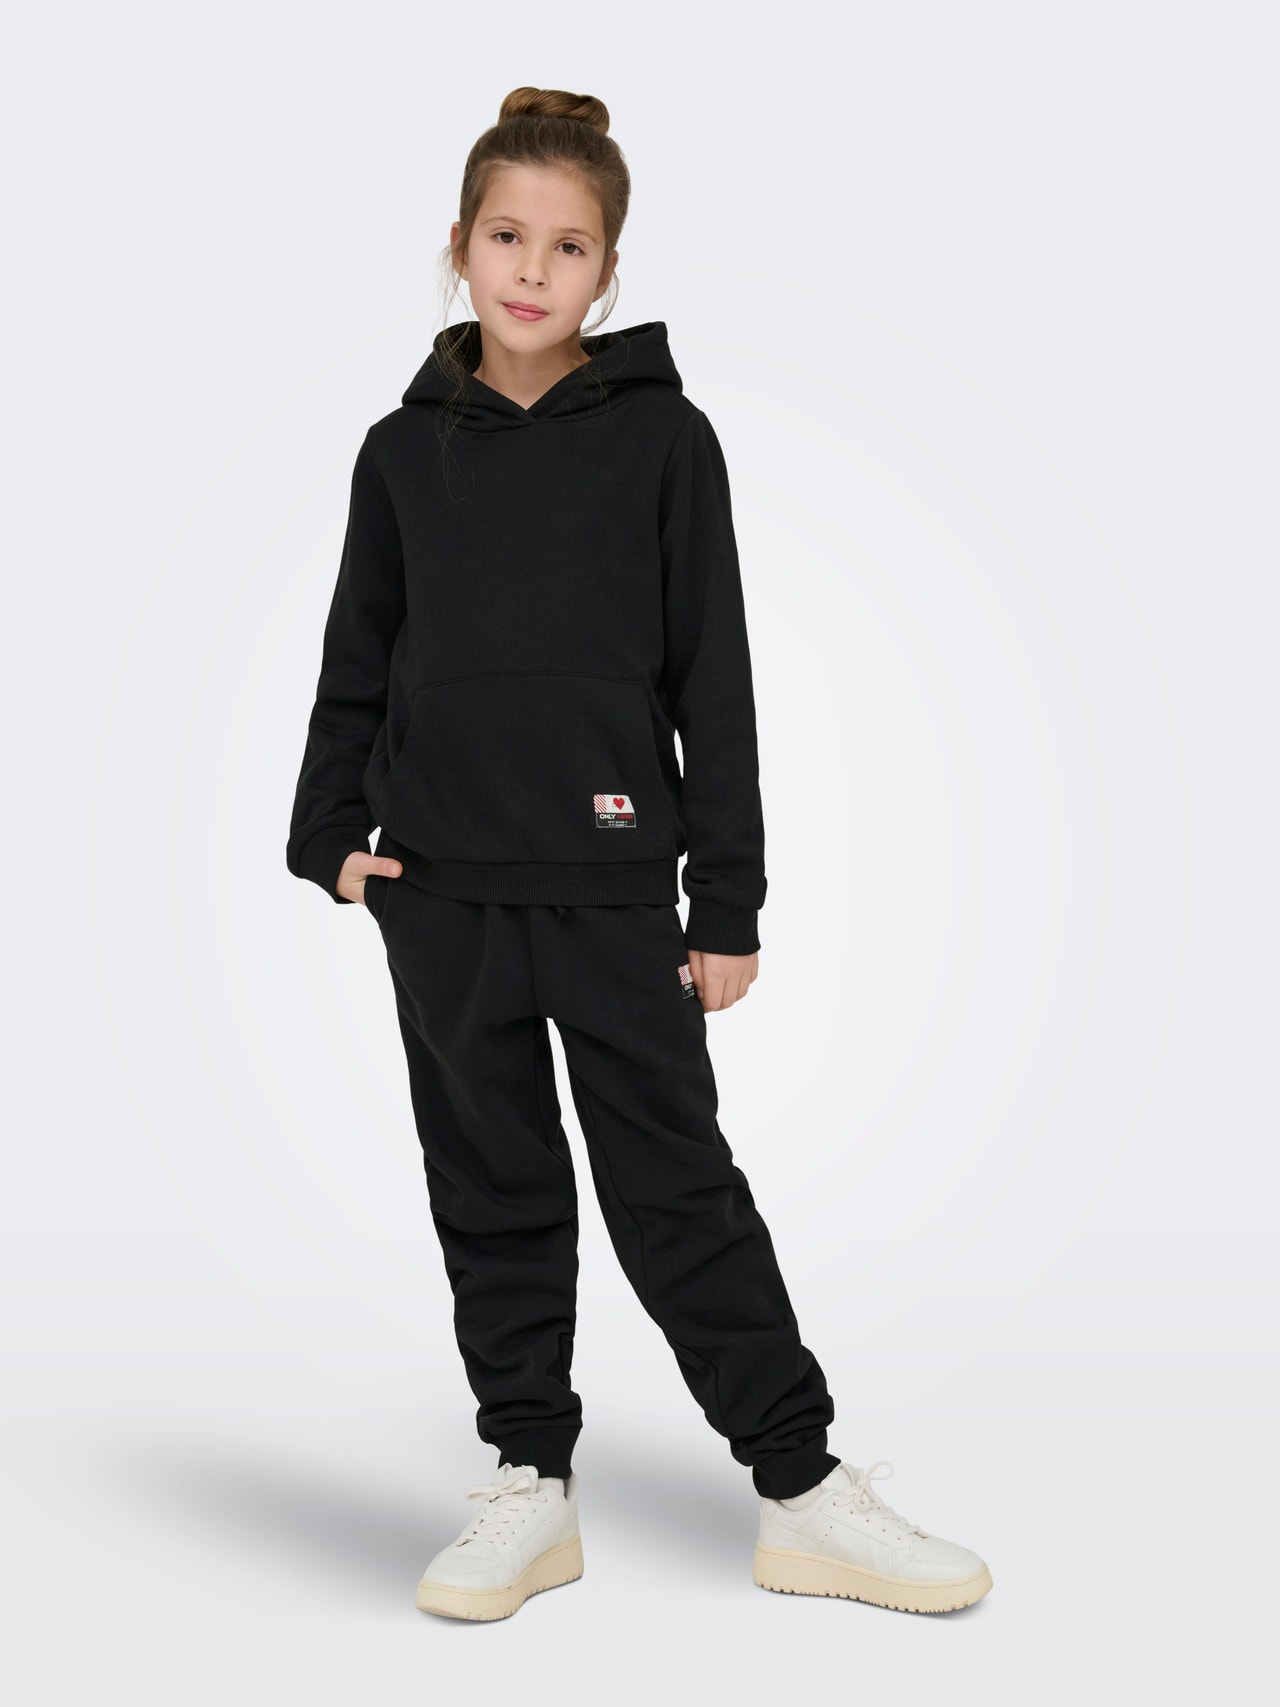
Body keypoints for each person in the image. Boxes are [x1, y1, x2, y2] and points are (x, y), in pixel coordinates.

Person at [285, 84, 992, 1622]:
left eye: (569, 246)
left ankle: (801, 1487)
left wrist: (725, 903)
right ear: (460, 246)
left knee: (677, 1190)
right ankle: (528, 1484)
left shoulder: (666, 441)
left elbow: (710, 680)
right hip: (445, 894)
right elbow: (357, 657)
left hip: (616, 893)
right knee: (490, 1187)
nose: (532, 270)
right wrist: (330, 840)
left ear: (608, 271)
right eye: (507, 237)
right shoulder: (400, 454)